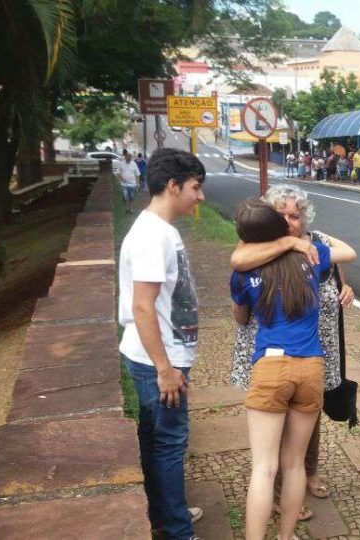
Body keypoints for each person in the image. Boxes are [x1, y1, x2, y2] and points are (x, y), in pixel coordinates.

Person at [230, 199, 357, 540]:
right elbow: (349, 252)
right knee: (294, 464)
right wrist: (301, 240)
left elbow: (241, 318)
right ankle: (286, 536)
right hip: (310, 367)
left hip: (270, 367)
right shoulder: (310, 257)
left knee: (264, 467)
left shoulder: (244, 270)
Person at [118, 148, 207, 540]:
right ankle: (176, 529)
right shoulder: (153, 236)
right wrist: (165, 368)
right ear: (172, 186)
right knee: (169, 443)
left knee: (156, 439)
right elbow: (142, 307)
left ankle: (162, 513)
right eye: (194, 187)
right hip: (159, 360)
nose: (199, 196)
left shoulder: (158, 230)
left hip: (158, 355)